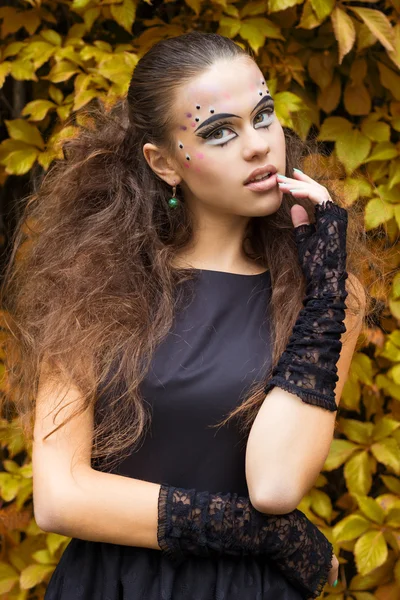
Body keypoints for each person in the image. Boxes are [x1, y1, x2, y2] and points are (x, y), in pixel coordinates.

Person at [1, 31, 369, 600]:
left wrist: (325, 290)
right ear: (164, 163)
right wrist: (267, 537)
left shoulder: (324, 296)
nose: (258, 146)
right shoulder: (92, 288)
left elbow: (273, 487)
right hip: (113, 585)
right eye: (218, 131)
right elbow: (60, 497)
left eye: (263, 116)